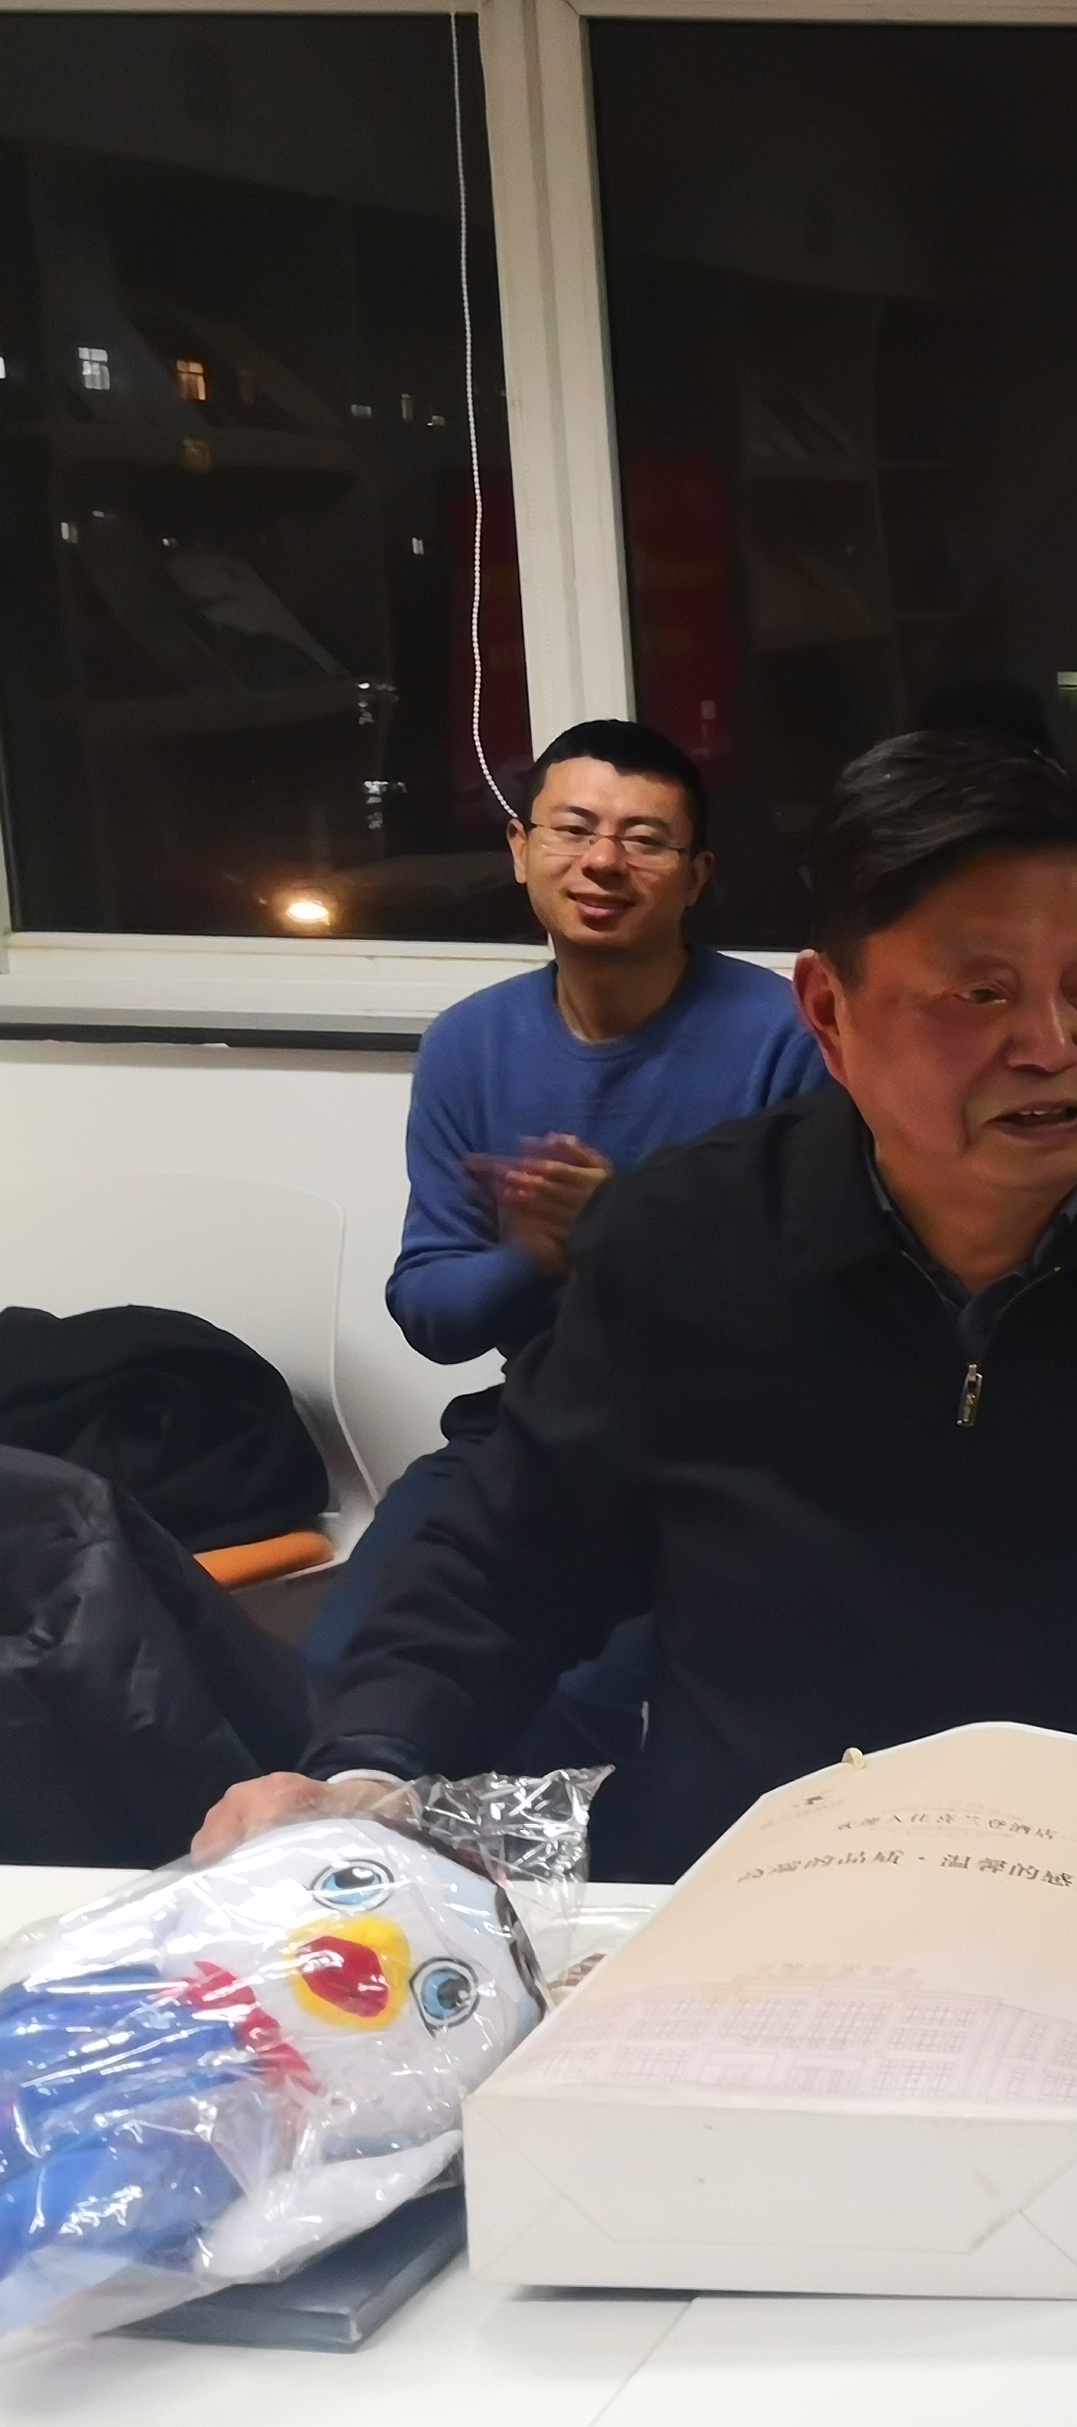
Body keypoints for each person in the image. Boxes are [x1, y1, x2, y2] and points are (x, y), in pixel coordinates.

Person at [198, 730, 1077, 1967]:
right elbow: (504, 1565)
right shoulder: (686, 1244)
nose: (1053, 1047)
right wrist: (366, 1767)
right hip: (750, 1910)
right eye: (981, 994)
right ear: (829, 1012)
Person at [303, 718, 823, 1766]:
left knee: (574, 1701)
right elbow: (432, 1312)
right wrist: (538, 1257)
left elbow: (813, 1313)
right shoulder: (470, 1042)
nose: (603, 862)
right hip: (529, 1429)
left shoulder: (782, 1036)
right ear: (520, 850)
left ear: (697, 876)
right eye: (574, 829)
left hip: (722, 1447)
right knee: (346, 1664)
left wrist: (625, 1230)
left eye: (645, 840)